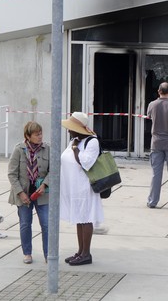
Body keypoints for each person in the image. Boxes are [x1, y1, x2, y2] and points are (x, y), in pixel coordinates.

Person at [60, 112, 104, 266]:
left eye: (71, 128)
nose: (68, 131)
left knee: (86, 219)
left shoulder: (92, 142)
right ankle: (80, 251)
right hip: (74, 187)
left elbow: (86, 162)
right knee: (79, 219)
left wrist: (75, 150)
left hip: (85, 188)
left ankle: (86, 254)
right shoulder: (75, 140)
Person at [8, 121, 50, 264]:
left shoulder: (47, 149)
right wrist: (20, 193)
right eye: (36, 134)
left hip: (42, 194)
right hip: (23, 194)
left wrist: (44, 185)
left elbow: (54, 170)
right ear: (28, 136)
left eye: (41, 133)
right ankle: (27, 253)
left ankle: (48, 254)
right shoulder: (19, 149)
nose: (40, 137)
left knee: (46, 224)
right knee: (25, 224)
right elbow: (12, 174)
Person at [146, 82, 168, 209]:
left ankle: (152, 201)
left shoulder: (152, 105)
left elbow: (149, 117)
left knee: (156, 173)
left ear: (158, 91)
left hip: (156, 143)